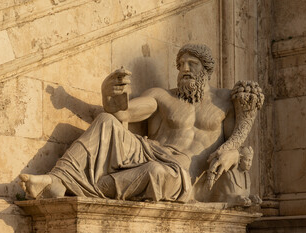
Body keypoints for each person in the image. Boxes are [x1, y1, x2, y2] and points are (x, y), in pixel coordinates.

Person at [19, 44, 264, 202]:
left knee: (156, 172)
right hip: (149, 152)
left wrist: (232, 154)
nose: (184, 69)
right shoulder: (162, 95)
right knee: (107, 120)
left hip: (182, 173)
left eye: (192, 64)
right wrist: (110, 94)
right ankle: (57, 180)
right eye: (180, 65)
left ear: (207, 70)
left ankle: (80, 187)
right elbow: (124, 115)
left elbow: (234, 144)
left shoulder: (224, 101)